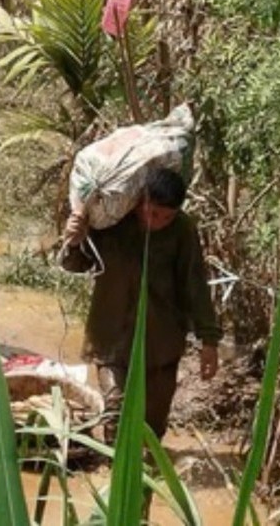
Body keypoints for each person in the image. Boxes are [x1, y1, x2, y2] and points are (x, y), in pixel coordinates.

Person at [60, 166, 221, 441]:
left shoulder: (182, 230)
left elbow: (194, 285)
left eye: (167, 217)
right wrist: (73, 241)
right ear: (139, 202)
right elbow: (77, 264)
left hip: (161, 341)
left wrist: (209, 341)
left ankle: (147, 475)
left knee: (152, 424)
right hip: (110, 336)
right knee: (116, 411)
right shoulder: (111, 220)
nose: (157, 222)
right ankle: (115, 473)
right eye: (153, 212)